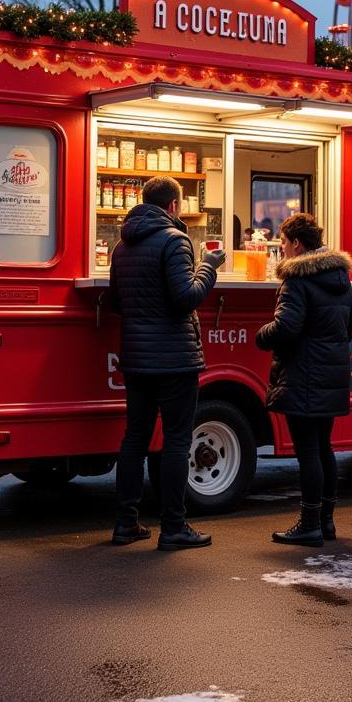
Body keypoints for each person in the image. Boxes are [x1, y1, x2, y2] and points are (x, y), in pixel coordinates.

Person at [109, 175, 225, 551]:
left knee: (135, 438)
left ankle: (126, 523)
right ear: (174, 206)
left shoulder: (122, 246)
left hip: (136, 358)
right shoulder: (176, 241)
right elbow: (185, 297)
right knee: (177, 440)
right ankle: (174, 527)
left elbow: (115, 302)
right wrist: (209, 266)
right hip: (175, 359)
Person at [256, 214, 352, 546]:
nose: (281, 249)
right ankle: (326, 521)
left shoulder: (297, 279)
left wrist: (262, 335)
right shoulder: (339, 275)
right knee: (323, 447)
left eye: (283, 242)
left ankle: (309, 523)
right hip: (330, 373)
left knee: (308, 451)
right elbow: (349, 327)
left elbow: (287, 327)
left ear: (297, 243)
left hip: (303, 374)